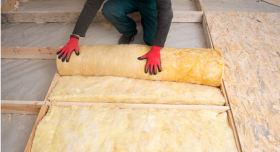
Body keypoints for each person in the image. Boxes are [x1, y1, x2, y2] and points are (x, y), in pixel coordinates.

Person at [57, 0, 173, 75]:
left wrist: (156, 48)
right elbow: (92, 4)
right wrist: (75, 37)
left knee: (151, 40)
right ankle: (129, 31)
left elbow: (166, 12)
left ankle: (147, 19)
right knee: (110, 9)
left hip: (151, 2)